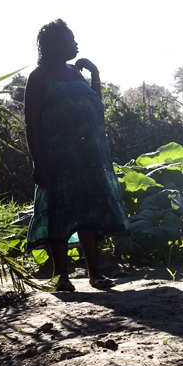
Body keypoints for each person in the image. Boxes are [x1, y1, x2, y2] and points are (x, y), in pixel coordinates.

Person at [24, 19, 129, 290]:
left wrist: (95, 73)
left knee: (88, 212)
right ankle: (62, 276)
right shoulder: (38, 77)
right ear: (56, 44)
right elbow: (31, 123)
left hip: (87, 157)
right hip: (56, 158)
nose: (76, 44)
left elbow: (94, 104)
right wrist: (38, 162)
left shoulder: (75, 72)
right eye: (71, 39)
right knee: (59, 213)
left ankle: (95, 274)